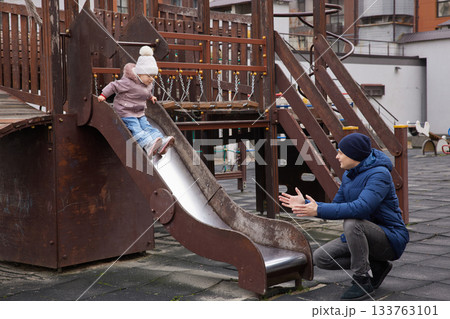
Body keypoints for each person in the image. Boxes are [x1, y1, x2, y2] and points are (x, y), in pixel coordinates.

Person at [279, 133, 409, 301]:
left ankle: (362, 279)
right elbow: (338, 204)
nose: (337, 156)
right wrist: (305, 203)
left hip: (390, 239)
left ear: (354, 155)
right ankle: (377, 266)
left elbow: (361, 208)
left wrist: (317, 210)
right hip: (363, 234)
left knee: (352, 222)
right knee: (321, 258)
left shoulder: (379, 175)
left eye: (340, 152)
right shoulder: (350, 174)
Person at [98, 46, 174, 156]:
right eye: (149, 76)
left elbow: (146, 92)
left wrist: (151, 97)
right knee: (136, 128)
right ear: (139, 73)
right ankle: (147, 144)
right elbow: (113, 86)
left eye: (153, 76)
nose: (151, 79)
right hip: (125, 112)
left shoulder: (148, 84)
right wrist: (103, 95)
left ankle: (161, 142)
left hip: (139, 112)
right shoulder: (127, 82)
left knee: (147, 126)